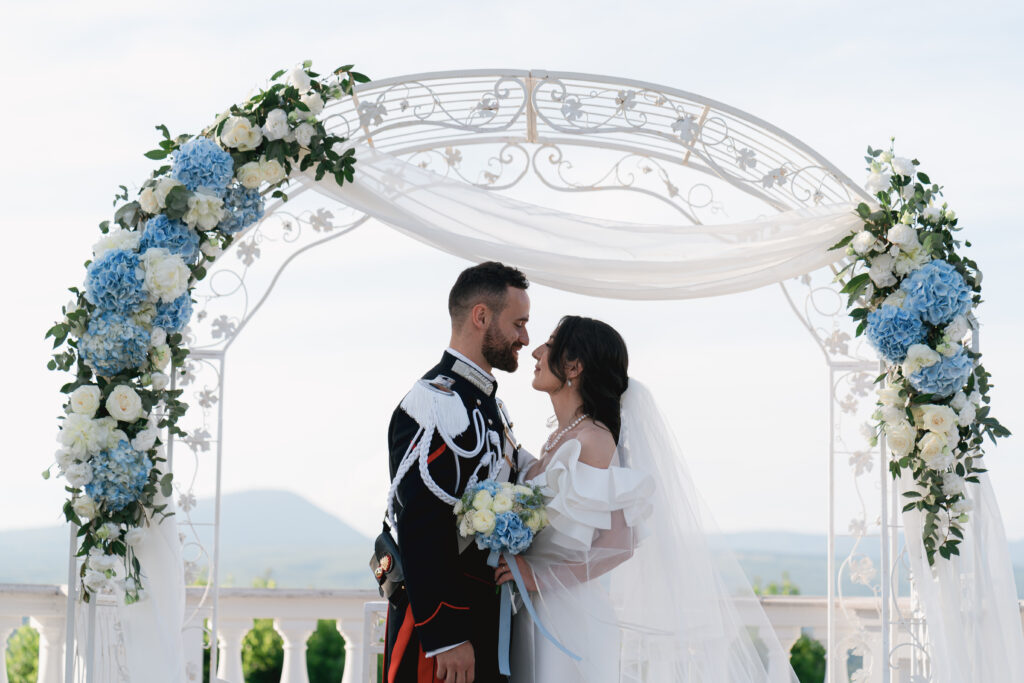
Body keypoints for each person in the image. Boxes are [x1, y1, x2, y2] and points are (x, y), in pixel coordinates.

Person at [497, 315, 800, 682]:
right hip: (535, 608)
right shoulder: (561, 437)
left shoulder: (593, 439)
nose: (538, 352)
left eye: (550, 343)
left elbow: (620, 544)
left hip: (567, 613)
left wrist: (540, 579)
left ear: (573, 366)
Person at [383, 261, 532, 683]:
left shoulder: (485, 403)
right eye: (518, 323)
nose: (525, 337)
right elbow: (422, 522)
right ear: (481, 316)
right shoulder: (436, 403)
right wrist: (445, 635)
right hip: (447, 630)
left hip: (483, 618)